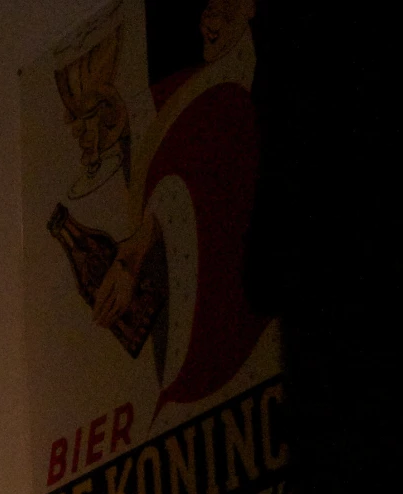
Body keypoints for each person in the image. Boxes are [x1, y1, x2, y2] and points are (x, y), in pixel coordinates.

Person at [90, 0, 273, 416]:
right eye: (205, 7)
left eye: (221, 5)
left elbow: (202, 182)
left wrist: (135, 250)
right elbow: (165, 119)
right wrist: (122, 119)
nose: (208, 19)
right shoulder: (205, 81)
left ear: (249, 6)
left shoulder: (243, 95)